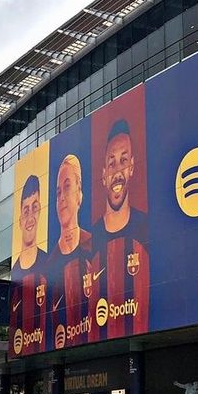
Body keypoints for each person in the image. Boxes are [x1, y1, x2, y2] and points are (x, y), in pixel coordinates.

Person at [91, 118, 149, 340]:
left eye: (123, 160)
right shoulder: (90, 240)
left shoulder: (146, 229)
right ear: (104, 173)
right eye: (112, 163)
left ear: (132, 167)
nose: (117, 171)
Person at [48, 155, 93, 348]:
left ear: (79, 194)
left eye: (67, 187)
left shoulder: (95, 247)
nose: (62, 198)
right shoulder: (49, 263)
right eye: (58, 192)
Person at [10, 175, 50, 357]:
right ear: (19, 220)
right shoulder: (14, 274)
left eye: (35, 208)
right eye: (26, 210)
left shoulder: (51, 264)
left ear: (40, 211)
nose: (30, 217)